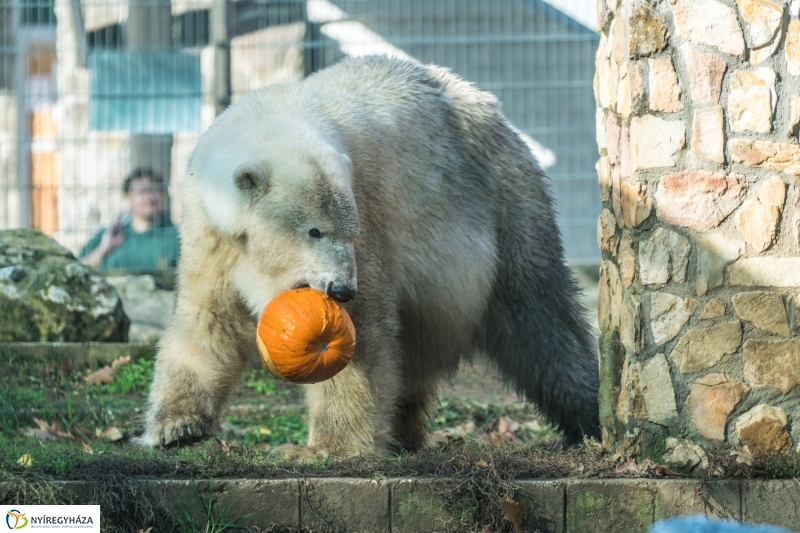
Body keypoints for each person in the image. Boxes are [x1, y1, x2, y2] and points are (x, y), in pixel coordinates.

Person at [80, 168, 179, 271]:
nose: (150, 197)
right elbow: (77, 269)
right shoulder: (108, 235)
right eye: (143, 191)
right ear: (128, 196)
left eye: (156, 190)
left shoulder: (176, 236)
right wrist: (103, 249)